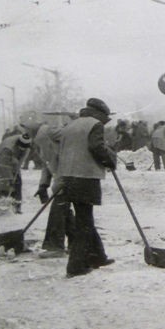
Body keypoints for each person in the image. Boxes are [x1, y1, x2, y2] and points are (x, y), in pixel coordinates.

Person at [58, 98, 117, 278]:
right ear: (100, 114)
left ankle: (98, 256)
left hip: (68, 177)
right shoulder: (94, 125)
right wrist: (109, 160)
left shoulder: (71, 126)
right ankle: (75, 266)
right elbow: (96, 147)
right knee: (84, 222)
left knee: (85, 217)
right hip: (85, 177)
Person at [34, 119, 76, 258]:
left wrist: (61, 181)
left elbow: (61, 159)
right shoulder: (41, 140)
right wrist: (43, 185)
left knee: (58, 209)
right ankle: (76, 244)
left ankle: (55, 246)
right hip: (64, 177)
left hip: (70, 176)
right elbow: (48, 163)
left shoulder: (45, 134)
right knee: (63, 210)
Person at [0, 132, 32, 213]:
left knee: (18, 182)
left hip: (14, 160)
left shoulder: (27, 147)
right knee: (5, 182)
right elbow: (5, 165)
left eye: (24, 148)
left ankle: (17, 206)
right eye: (21, 147)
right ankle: (3, 204)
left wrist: (16, 171)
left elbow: (20, 161)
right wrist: (10, 178)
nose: (23, 149)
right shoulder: (8, 147)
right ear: (18, 143)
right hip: (1, 160)